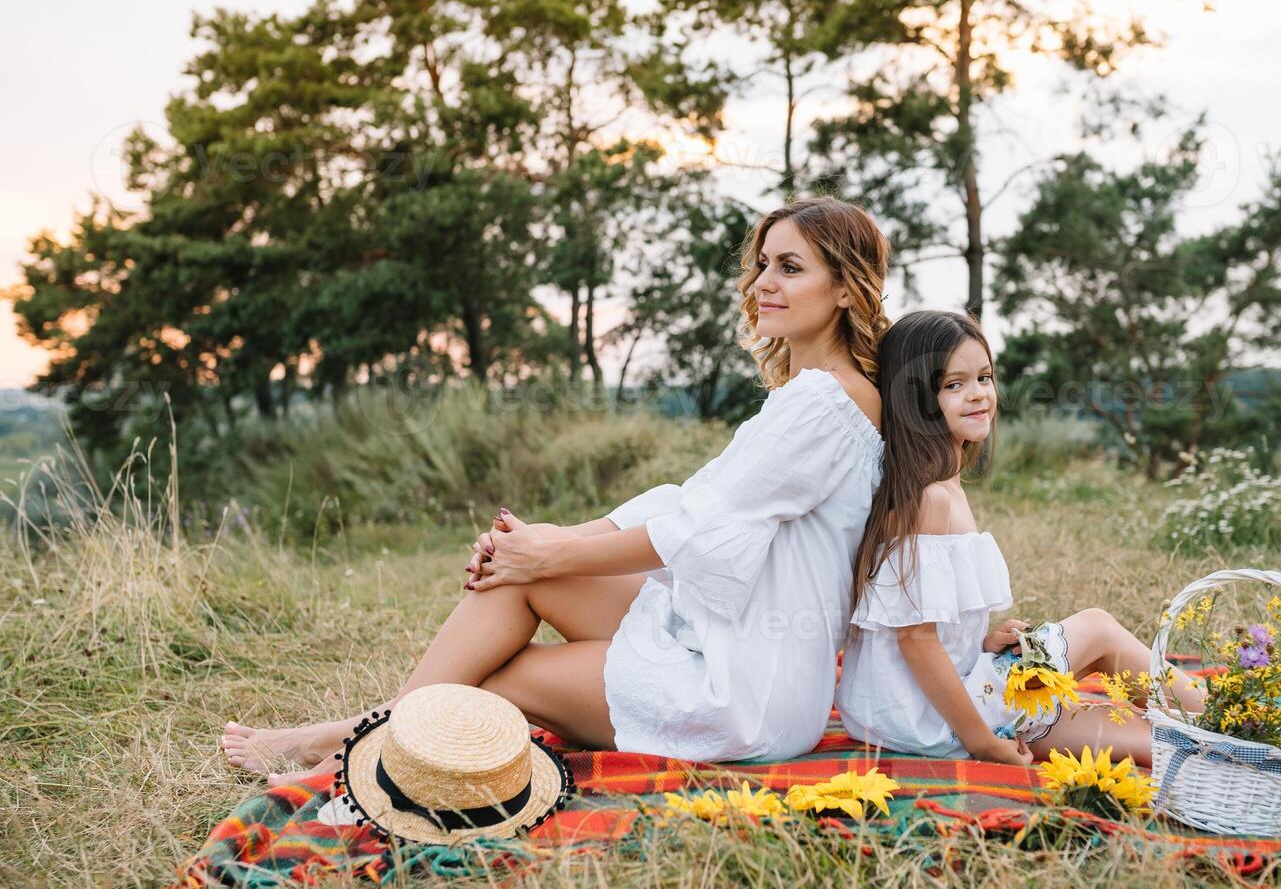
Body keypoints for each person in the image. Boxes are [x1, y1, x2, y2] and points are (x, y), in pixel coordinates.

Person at [222, 196, 890, 782]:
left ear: (845, 290)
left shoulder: (826, 407)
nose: (762, 283)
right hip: (725, 636)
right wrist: (542, 544)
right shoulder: (810, 397)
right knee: (512, 580)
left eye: (790, 268)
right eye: (764, 264)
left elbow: (697, 533)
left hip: (747, 689)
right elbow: (681, 501)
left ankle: (359, 744)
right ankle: (364, 736)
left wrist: (548, 556)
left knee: (496, 674)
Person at [835, 309, 1208, 769]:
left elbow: (919, 623)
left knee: (1169, 746)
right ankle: (1239, 724)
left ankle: (1266, 748)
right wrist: (984, 745)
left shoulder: (936, 488)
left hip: (918, 713)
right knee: (1098, 627)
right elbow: (914, 640)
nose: (978, 395)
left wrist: (981, 640)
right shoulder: (930, 500)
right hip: (931, 718)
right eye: (953, 385)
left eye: (984, 377)